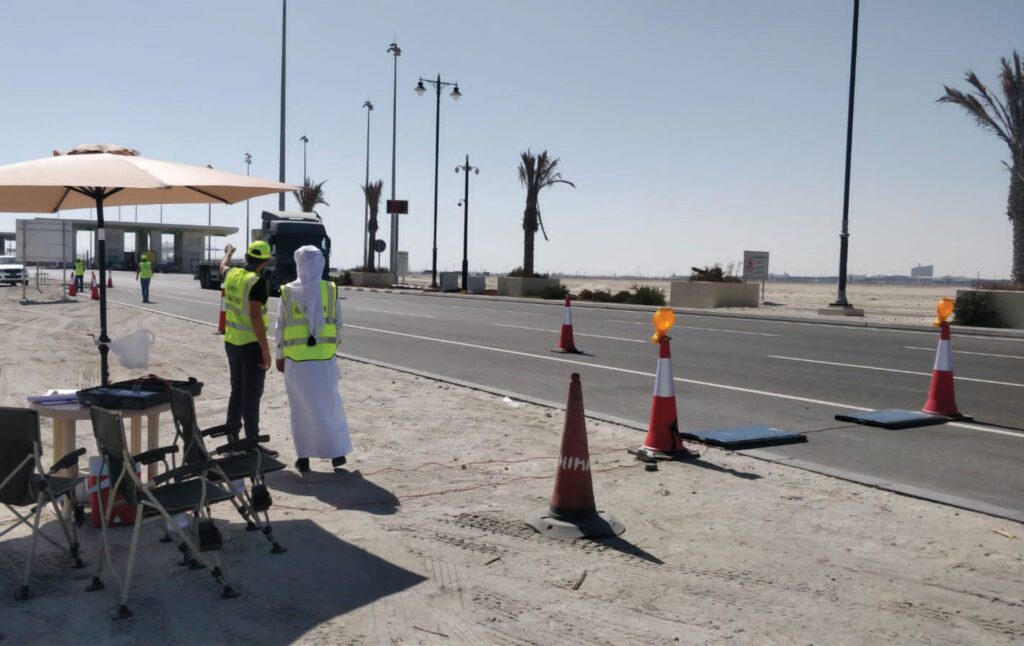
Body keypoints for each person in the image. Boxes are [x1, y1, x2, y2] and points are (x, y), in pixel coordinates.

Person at [275, 245, 351, 473]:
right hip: (325, 361)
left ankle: (304, 457)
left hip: (296, 363)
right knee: (330, 406)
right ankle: (337, 454)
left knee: (301, 410)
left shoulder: (287, 291)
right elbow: (339, 324)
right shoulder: (331, 289)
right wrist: (330, 347)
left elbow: (280, 327)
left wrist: (280, 355)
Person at [220, 241, 275, 449]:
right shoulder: (257, 282)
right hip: (251, 346)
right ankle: (252, 442)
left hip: (232, 342)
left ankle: (232, 435)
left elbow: (222, 266)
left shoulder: (233, 273)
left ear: (247, 257)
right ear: (266, 261)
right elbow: (255, 316)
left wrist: (227, 253)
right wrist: (266, 350)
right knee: (251, 396)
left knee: (237, 390)